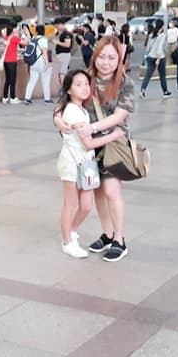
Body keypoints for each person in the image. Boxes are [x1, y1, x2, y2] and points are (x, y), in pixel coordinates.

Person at [62, 37, 134, 263]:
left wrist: (91, 128)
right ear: (95, 56)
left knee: (111, 191)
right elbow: (64, 103)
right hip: (88, 148)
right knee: (99, 193)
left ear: (119, 59)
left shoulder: (125, 83)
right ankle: (107, 234)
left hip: (112, 144)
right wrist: (58, 121)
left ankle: (119, 240)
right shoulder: (85, 78)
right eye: (102, 56)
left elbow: (119, 116)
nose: (106, 62)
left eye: (112, 58)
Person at [53, 69, 126, 258]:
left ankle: (71, 231)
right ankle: (67, 242)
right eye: (78, 85)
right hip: (72, 163)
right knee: (71, 204)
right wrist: (115, 135)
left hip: (86, 164)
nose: (85, 88)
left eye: (86, 84)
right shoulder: (72, 111)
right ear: (68, 89)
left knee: (86, 205)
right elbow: (88, 143)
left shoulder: (81, 109)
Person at [22, 24, 53, 105]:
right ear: (44, 31)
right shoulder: (44, 40)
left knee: (32, 81)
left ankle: (27, 98)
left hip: (33, 63)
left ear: (36, 31)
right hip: (41, 63)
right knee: (45, 81)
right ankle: (47, 99)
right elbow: (44, 52)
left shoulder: (33, 39)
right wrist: (47, 63)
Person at [140, 22, 171, 99]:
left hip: (150, 56)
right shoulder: (162, 35)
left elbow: (148, 47)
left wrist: (147, 55)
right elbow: (160, 48)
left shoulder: (151, 34)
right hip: (160, 57)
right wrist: (158, 59)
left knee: (148, 74)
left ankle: (143, 90)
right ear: (162, 26)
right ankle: (165, 92)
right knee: (162, 75)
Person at [0, 27, 21, 104]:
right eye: (15, 29)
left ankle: (5, 97)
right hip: (12, 62)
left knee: (8, 80)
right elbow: (25, 43)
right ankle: (13, 97)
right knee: (13, 80)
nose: (16, 30)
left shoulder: (7, 38)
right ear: (12, 31)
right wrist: (28, 34)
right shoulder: (14, 38)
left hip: (6, 61)